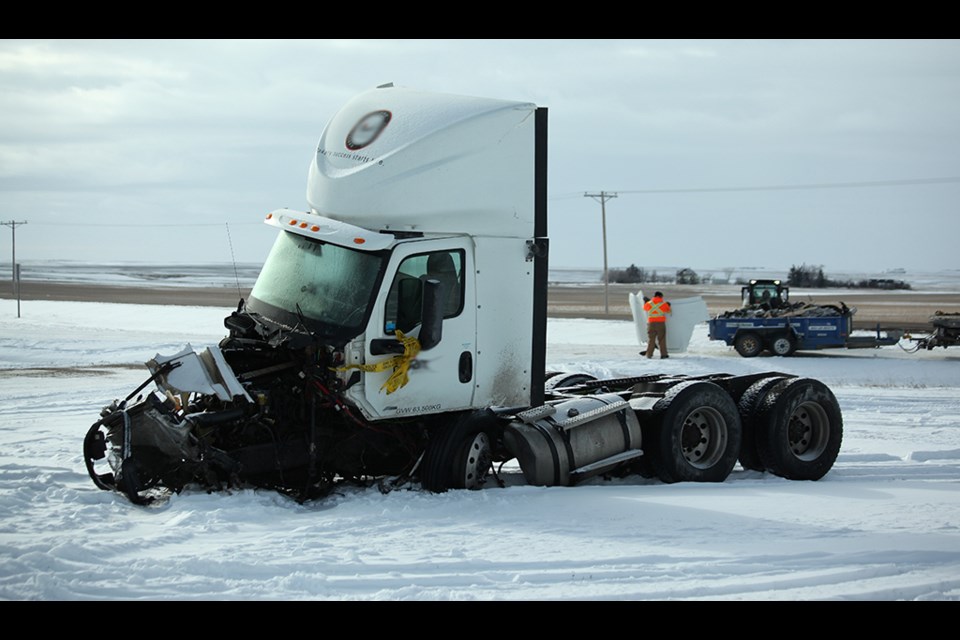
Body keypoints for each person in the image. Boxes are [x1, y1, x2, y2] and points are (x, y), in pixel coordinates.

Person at [643, 291, 672, 359]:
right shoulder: (663, 304)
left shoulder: (649, 303)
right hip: (660, 323)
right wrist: (668, 305)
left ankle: (649, 354)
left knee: (651, 339)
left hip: (651, 323)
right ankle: (663, 355)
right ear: (661, 296)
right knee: (661, 339)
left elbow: (644, 308)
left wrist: (646, 302)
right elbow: (669, 311)